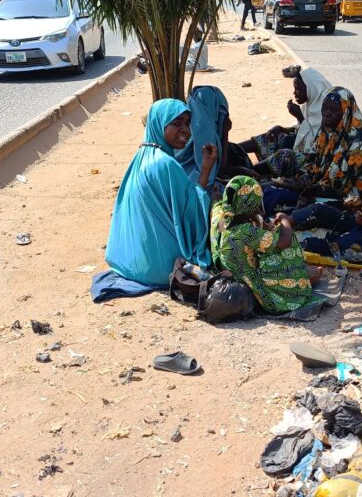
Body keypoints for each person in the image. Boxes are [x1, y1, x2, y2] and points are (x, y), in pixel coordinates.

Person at [104, 99, 217, 287]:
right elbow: (192, 212)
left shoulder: (141, 157)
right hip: (163, 269)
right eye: (176, 123)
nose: (185, 130)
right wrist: (206, 170)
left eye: (187, 124)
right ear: (158, 123)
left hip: (130, 263)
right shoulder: (166, 164)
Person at [210, 176, 318, 315]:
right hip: (251, 284)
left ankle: (301, 273)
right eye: (256, 204)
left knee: (265, 240)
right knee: (282, 239)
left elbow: (216, 200)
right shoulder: (245, 231)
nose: (259, 209)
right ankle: (298, 282)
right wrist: (285, 220)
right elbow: (285, 242)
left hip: (227, 271)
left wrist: (256, 217)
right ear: (251, 205)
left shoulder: (221, 217)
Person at [264, 86, 362, 215]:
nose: (327, 113)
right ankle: (252, 179)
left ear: (345, 111)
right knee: (279, 173)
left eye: (334, 109)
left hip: (345, 201)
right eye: (325, 107)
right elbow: (312, 156)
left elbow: (341, 188)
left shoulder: (359, 141)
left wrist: (297, 186)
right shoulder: (330, 129)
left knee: (281, 197)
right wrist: (305, 174)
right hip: (317, 186)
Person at [239, 66, 332, 178]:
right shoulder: (310, 104)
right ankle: (233, 149)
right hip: (302, 149)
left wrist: (300, 117)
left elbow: (316, 143)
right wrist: (281, 128)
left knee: (284, 155)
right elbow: (300, 130)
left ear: (311, 88)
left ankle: (246, 172)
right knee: (272, 136)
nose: (294, 93)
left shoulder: (328, 110)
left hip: (315, 160)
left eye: (298, 89)